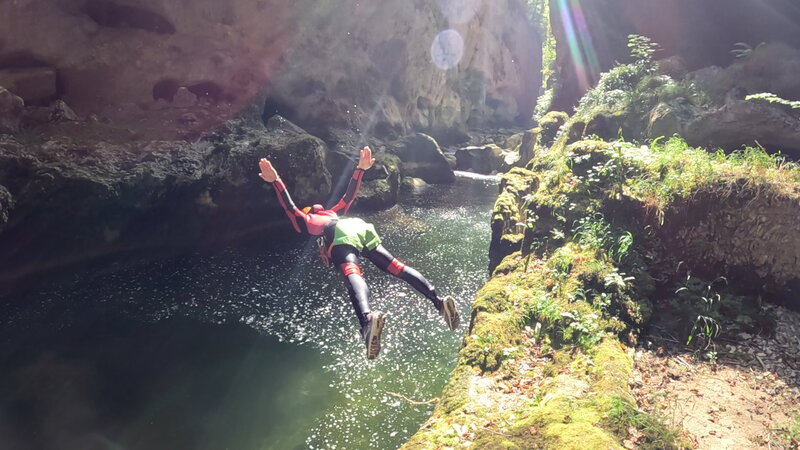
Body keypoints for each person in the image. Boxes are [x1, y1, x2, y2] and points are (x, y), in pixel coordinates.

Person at [258, 146, 460, 359]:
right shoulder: (334, 213)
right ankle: (438, 301)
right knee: (396, 267)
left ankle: (366, 320)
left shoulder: (307, 221)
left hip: (338, 233)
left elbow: (290, 207)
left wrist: (276, 180)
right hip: (359, 227)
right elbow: (349, 197)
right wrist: (360, 170)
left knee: (352, 273)